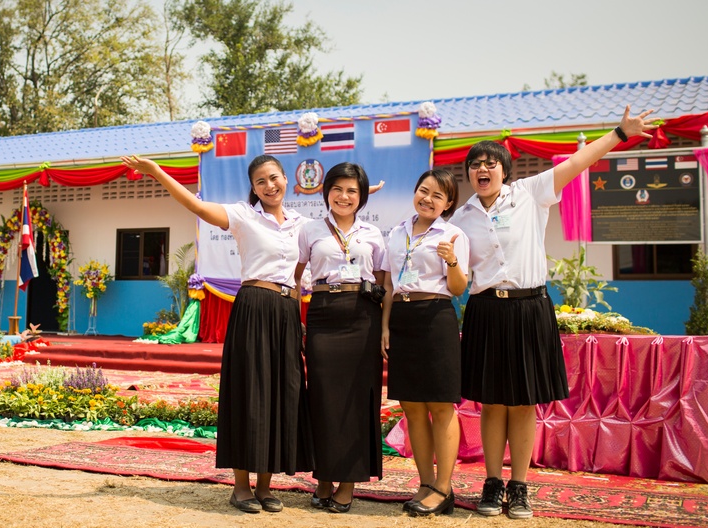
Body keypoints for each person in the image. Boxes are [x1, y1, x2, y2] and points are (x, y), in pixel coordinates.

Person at [448, 106, 657, 520]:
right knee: (492, 403)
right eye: (474, 165)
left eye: (490, 163)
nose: (482, 169)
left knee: (524, 403)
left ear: (504, 170)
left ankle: (520, 487)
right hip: (486, 311)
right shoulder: (460, 219)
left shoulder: (530, 193)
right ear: (469, 174)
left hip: (530, 308)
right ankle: (492, 483)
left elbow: (581, 160)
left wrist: (620, 132)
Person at [121, 154, 312, 514]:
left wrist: (364, 192)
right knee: (249, 393)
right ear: (253, 188)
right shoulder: (242, 215)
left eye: (274, 178)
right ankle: (241, 487)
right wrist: (158, 172)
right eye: (261, 181)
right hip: (254, 307)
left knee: (280, 395)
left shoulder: (303, 224)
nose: (269, 186)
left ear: (287, 180)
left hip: (287, 312)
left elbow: (312, 259)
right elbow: (193, 203)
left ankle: (266, 486)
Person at [294, 162, 386, 514]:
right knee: (322, 398)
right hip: (322, 313)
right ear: (326, 191)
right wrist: (293, 319)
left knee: (356, 401)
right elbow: (296, 274)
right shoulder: (310, 229)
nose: (344, 196)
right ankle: (324, 478)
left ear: (361, 197)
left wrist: (384, 325)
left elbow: (381, 282)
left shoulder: (373, 234)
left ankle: (348, 483)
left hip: (362, 315)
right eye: (338, 189)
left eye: (352, 190)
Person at [380, 169, 468, 517]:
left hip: (436, 317)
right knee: (412, 407)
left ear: (448, 204)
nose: (428, 199)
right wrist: (385, 327)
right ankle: (425, 482)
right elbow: (388, 285)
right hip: (402, 319)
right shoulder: (397, 231)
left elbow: (459, 287)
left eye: (437, 196)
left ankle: (444, 488)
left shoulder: (453, 233)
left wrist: (452, 259)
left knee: (441, 406)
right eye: (423, 191)